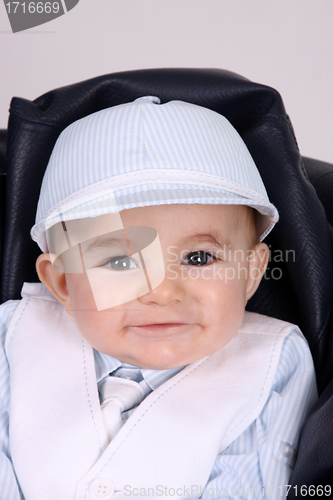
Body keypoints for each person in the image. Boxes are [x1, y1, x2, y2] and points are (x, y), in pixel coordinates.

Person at [0, 96, 317, 500]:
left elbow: (251, 482)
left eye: (198, 258)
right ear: (62, 282)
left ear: (252, 271)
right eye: (119, 262)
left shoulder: (273, 362)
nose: (163, 292)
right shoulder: (13, 335)